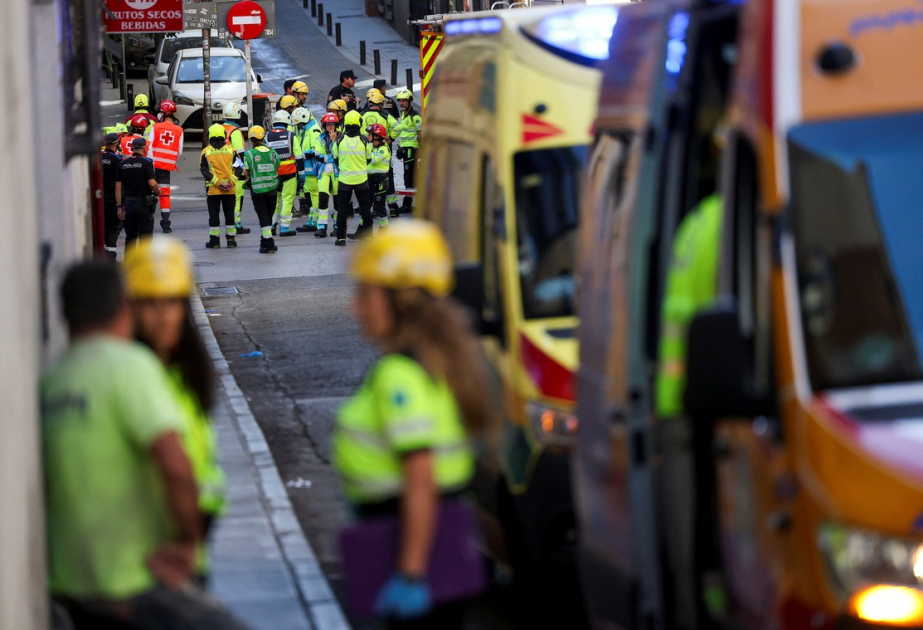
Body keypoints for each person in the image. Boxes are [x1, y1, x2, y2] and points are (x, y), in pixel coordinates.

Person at [42, 260, 248, 630]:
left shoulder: (53, 380)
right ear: (125, 308)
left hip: (71, 585)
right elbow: (175, 465)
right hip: (134, 580)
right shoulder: (130, 367)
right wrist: (188, 541)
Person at [333, 220, 493, 629]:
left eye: (364, 294)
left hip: (409, 542)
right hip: (437, 536)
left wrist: (410, 573)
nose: (355, 308)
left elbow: (420, 476)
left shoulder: (399, 375)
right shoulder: (433, 363)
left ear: (398, 301)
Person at [124, 238, 227, 585]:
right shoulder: (131, 377)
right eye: (149, 303)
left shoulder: (187, 375)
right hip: (154, 559)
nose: (162, 315)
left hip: (192, 553)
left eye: (172, 302)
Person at [332, 110, 374, 246]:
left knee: (342, 209)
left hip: (344, 181)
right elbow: (369, 158)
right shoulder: (364, 140)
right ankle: (368, 237)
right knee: (365, 208)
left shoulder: (339, 140)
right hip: (362, 180)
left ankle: (341, 238)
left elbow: (335, 157)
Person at [200, 123, 242, 249]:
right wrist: (230, 183)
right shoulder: (231, 151)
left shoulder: (206, 152)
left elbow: (204, 171)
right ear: (224, 135)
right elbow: (239, 168)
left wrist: (218, 183)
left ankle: (215, 241)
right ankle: (231, 240)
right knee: (229, 215)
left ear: (209, 135)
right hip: (230, 190)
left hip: (213, 190)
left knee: (214, 216)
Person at [241, 125, 281, 254]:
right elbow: (277, 166)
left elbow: (247, 172)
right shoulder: (273, 152)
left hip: (257, 190)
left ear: (251, 139)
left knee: (263, 216)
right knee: (268, 216)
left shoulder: (249, 154)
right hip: (272, 188)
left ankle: (269, 243)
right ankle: (264, 242)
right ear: (263, 138)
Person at [146, 100, 184, 234]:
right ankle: (166, 224)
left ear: (164, 113)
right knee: (165, 194)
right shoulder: (179, 130)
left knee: (148, 192)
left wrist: (150, 163)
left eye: (160, 112)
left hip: (152, 166)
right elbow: (179, 151)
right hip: (166, 168)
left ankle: (148, 219)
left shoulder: (156, 127)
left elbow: (148, 146)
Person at [116, 137, 160, 247]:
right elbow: (152, 183)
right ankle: (144, 258)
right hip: (143, 204)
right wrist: (158, 192)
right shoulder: (146, 163)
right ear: (144, 148)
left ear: (132, 148)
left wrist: (119, 206)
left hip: (129, 203)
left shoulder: (123, 164)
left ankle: (129, 258)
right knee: (145, 238)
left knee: (130, 237)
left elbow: (118, 186)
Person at [265, 110, 303, 237]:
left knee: (273, 201)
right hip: (289, 173)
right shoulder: (291, 135)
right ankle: (285, 227)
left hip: (273, 174)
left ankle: (272, 226)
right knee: (287, 200)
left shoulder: (267, 136)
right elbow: (299, 156)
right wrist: (302, 174)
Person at [362, 92, 401, 217]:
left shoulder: (362, 115)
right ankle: (392, 207)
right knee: (387, 180)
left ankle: (372, 208)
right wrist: (391, 138)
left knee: (368, 184)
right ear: (380, 104)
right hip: (383, 150)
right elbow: (398, 127)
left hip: (366, 151)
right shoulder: (385, 115)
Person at [222, 102, 251, 235]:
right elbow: (240, 153)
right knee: (237, 197)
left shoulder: (219, 128)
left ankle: (229, 222)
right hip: (235, 169)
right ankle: (236, 224)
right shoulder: (235, 131)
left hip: (222, 168)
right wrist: (245, 169)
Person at [292, 107, 321, 233]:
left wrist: (301, 155)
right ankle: (312, 219)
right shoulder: (306, 129)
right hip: (308, 170)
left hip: (312, 170)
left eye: (298, 123)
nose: (297, 126)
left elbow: (316, 150)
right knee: (310, 195)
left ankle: (315, 221)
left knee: (313, 195)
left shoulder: (313, 130)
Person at [312, 112, 340, 239]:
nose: (330, 127)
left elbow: (339, 155)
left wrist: (334, 142)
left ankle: (337, 226)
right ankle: (321, 227)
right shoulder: (319, 138)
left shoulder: (340, 138)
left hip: (337, 172)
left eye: (332, 124)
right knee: (323, 199)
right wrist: (332, 157)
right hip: (323, 172)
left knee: (338, 201)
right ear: (324, 126)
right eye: (328, 124)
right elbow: (318, 156)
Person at [394, 89, 423, 214]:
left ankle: (407, 204)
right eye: (400, 101)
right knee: (408, 175)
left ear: (409, 101)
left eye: (404, 101)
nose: (401, 103)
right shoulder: (403, 114)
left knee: (409, 176)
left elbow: (421, 134)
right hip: (405, 149)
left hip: (411, 149)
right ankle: (409, 202)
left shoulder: (414, 116)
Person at [100, 133, 122, 259]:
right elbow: (120, 182)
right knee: (113, 228)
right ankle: (111, 258)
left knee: (101, 226)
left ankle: (101, 255)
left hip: (99, 197)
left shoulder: (98, 157)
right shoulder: (117, 160)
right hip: (112, 197)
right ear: (117, 143)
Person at [367, 124, 391, 234]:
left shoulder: (383, 149)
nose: (368, 136)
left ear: (377, 136)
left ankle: (383, 230)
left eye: (370, 134)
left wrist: (366, 151)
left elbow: (373, 160)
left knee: (379, 207)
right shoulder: (371, 147)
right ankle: (362, 230)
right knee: (366, 205)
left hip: (380, 180)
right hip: (370, 180)